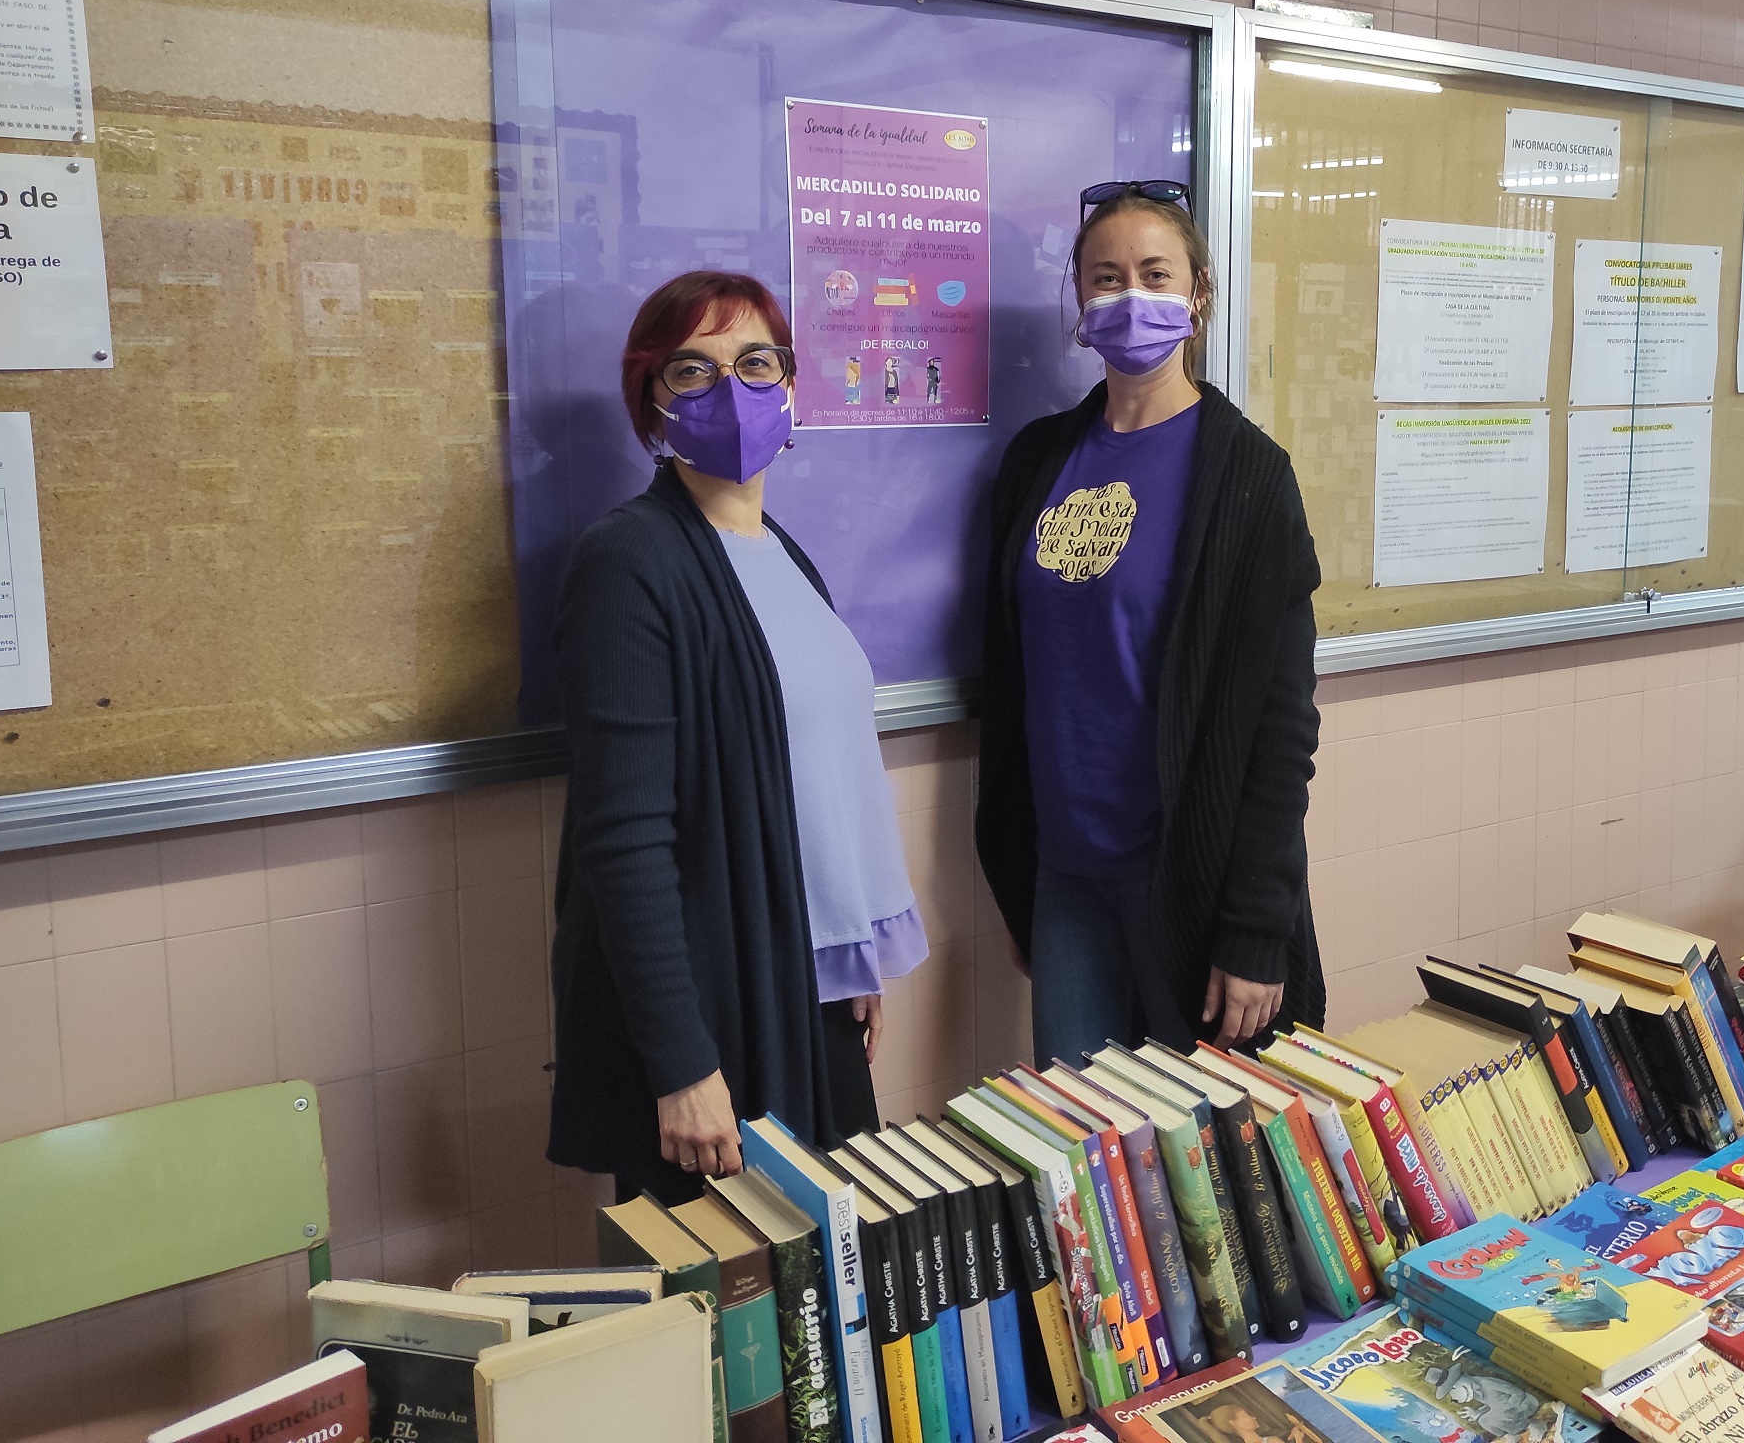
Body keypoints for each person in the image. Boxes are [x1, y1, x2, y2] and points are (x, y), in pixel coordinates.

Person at [547, 270, 925, 1205]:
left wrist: (848, 955)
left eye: (756, 362)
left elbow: (821, 776)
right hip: (719, 1011)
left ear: (789, 384)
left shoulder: (784, 553)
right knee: (739, 1282)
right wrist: (681, 1065)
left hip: (810, 984)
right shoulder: (628, 562)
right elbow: (622, 840)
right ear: (652, 402)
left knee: (840, 1255)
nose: (731, 387)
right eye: (693, 369)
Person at [977, 178, 1323, 1069]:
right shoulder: (1037, 461)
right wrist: (1017, 881)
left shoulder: (1249, 478)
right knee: (1085, 1138)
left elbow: (1281, 726)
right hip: (1066, 878)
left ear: (1198, 294)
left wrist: (1258, 927)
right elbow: (1010, 677)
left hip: (1191, 882)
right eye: (1106, 277)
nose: (1130, 296)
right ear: (1080, 299)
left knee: (1206, 1143)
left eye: (1155, 274)